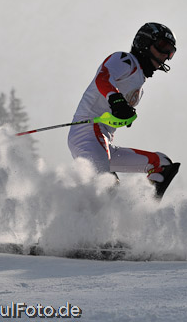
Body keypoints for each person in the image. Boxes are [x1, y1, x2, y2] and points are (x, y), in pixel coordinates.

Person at [68, 22, 181, 199]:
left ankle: (145, 212)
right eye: (163, 47)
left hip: (104, 141)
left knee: (161, 164)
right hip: (88, 132)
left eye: (170, 52)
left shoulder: (139, 86)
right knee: (107, 190)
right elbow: (103, 77)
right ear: (145, 42)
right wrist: (115, 98)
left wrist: (125, 116)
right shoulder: (125, 60)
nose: (165, 55)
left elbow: (113, 116)